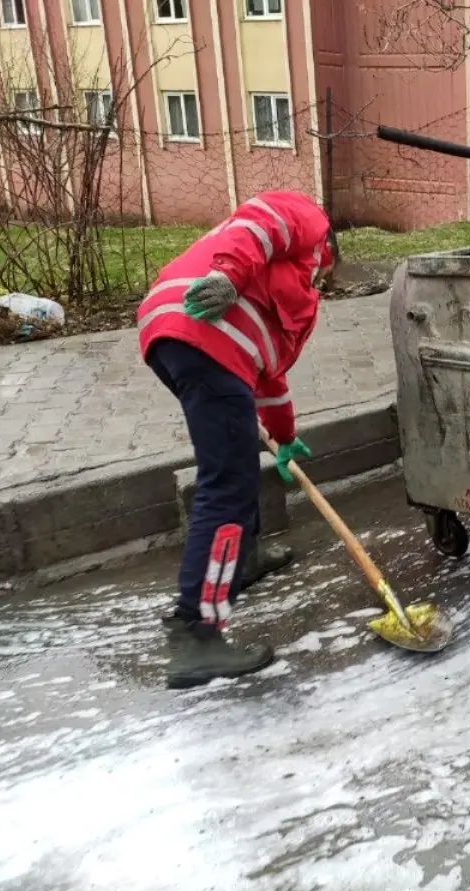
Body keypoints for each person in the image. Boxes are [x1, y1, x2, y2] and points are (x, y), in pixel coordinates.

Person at [137, 190, 339, 689]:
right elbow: (256, 223)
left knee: (237, 461)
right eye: (326, 267)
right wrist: (228, 276)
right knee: (226, 482)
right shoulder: (309, 220)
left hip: (187, 341)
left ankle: (241, 561)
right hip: (199, 320)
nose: (322, 276)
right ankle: (197, 635)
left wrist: (287, 437)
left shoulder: (299, 297)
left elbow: (268, 378)